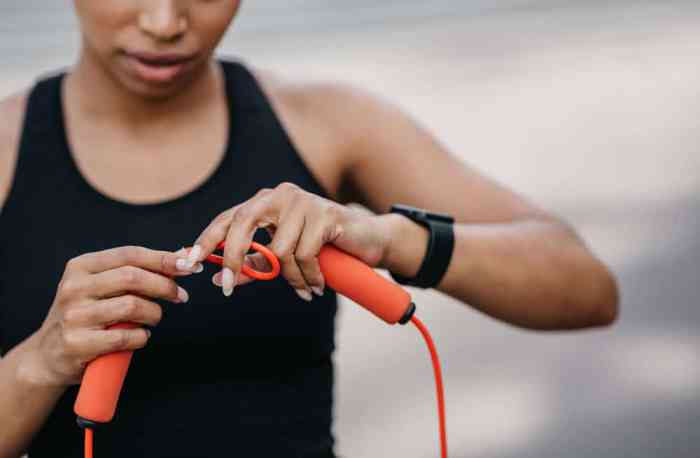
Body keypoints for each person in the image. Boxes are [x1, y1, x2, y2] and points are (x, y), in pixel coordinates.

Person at [0, 1, 619, 457]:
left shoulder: (329, 123)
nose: (165, 21)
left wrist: (389, 237)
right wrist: (40, 361)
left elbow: (586, 288)